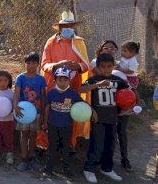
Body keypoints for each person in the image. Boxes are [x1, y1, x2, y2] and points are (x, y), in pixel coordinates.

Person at [80, 53, 138, 183]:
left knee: (110, 145)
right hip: (98, 119)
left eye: (109, 66)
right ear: (98, 68)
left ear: (113, 66)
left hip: (113, 118)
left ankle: (107, 168)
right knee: (96, 145)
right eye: (103, 67)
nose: (106, 69)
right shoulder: (94, 79)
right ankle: (88, 169)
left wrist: (130, 106)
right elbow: (81, 89)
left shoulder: (117, 80)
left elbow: (131, 92)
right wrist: (98, 84)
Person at [41, 10, 91, 148]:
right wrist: (58, 65)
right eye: (64, 26)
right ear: (60, 28)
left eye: (71, 26)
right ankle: (47, 144)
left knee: (70, 112)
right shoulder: (51, 42)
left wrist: (77, 66)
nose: (67, 29)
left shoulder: (79, 43)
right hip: (53, 83)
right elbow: (44, 64)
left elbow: (86, 65)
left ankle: (69, 143)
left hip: (73, 84)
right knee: (51, 111)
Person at [91, 40, 134, 171]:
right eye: (106, 48)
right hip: (104, 104)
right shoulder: (95, 62)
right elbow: (97, 78)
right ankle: (100, 161)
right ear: (100, 49)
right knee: (104, 134)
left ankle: (124, 158)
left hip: (122, 101)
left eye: (112, 49)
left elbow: (130, 80)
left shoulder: (119, 64)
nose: (109, 50)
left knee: (122, 131)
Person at [42, 68, 83, 180]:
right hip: (52, 125)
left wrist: (91, 110)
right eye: (60, 80)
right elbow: (47, 108)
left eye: (66, 80)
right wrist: (45, 122)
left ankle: (66, 169)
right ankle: (48, 169)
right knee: (52, 147)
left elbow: (82, 105)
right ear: (55, 81)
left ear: (69, 81)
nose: (63, 82)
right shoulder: (51, 93)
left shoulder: (73, 93)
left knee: (65, 148)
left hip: (67, 126)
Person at [13, 52, 47, 172]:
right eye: (28, 63)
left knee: (33, 135)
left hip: (36, 113)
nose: (31, 65)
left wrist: (43, 113)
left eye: (33, 63)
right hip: (23, 113)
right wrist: (15, 106)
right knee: (24, 135)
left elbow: (43, 97)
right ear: (25, 64)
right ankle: (23, 158)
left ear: (38, 64)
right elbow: (16, 94)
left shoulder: (41, 79)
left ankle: (31, 157)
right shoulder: (21, 78)